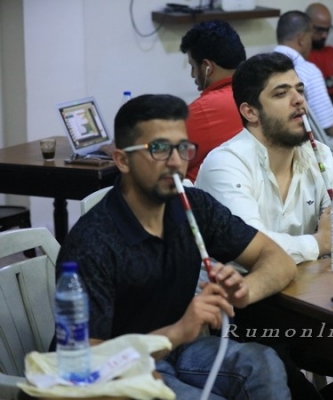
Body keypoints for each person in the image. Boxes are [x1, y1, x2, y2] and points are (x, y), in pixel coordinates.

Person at [56, 94, 297, 399]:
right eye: (158, 148)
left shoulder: (193, 207)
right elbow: (81, 360)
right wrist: (177, 331)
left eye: (183, 148)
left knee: (265, 364)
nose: (175, 162)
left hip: (183, 349)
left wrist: (242, 291)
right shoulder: (92, 242)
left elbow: (278, 259)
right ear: (122, 160)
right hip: (120, 372)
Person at [197, 52, 333, 265]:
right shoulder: (225, 164)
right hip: (239, 286)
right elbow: (251, 248)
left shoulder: (318, 155)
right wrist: (319, 243)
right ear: (250, 112)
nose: (299, 100)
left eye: (300, 90)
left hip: (304, 284)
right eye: (281, 94)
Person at [274, 10, 333, 138]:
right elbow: (332, 129)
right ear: (302, 39)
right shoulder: (308, 71)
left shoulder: (262, 66)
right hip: (309, 146)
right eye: (310, 38)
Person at [179, 20, 245, 182]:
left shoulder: (203, 110)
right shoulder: (258, 94)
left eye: (193, 66)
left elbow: (163, 159)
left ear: (207, 67)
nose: (192, 74)